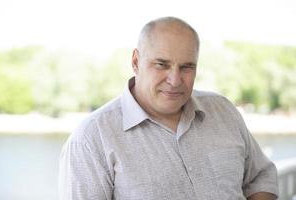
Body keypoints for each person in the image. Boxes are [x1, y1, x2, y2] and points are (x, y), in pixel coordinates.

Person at [59, 17, 278, 200]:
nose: (175, 80)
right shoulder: (91, 138)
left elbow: (260, 177)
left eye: (186, 67)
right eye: (161, 65)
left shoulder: (223, 111)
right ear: (136, 62)